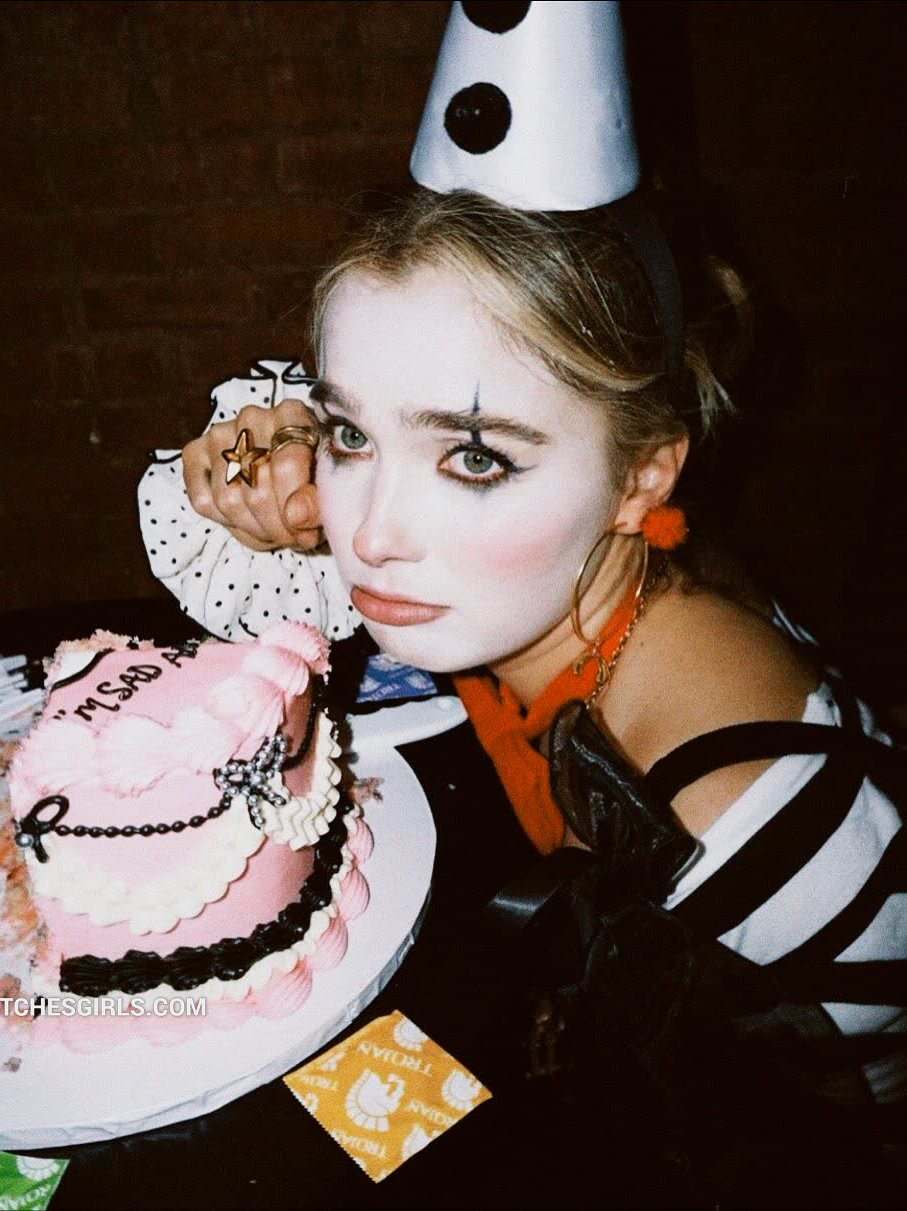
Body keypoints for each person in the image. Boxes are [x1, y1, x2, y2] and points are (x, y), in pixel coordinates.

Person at [140, 4, 905, 1199]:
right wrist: (278, 472)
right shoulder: (577, 589)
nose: (370, 531)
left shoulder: (748, 839)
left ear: (644, 476)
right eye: (351, 432)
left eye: (475, 456)